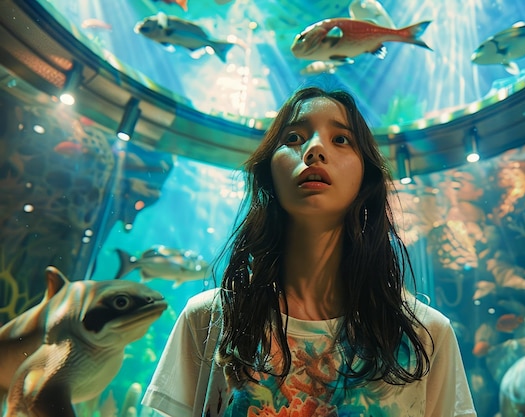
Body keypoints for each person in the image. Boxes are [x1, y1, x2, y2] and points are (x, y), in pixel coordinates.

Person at [142, 87, 477, 417]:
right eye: (293, 138)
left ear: (366, 176)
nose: (315, 149)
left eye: (341, 139)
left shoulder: (426, 335)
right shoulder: (210, 319)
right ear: (268, 173)